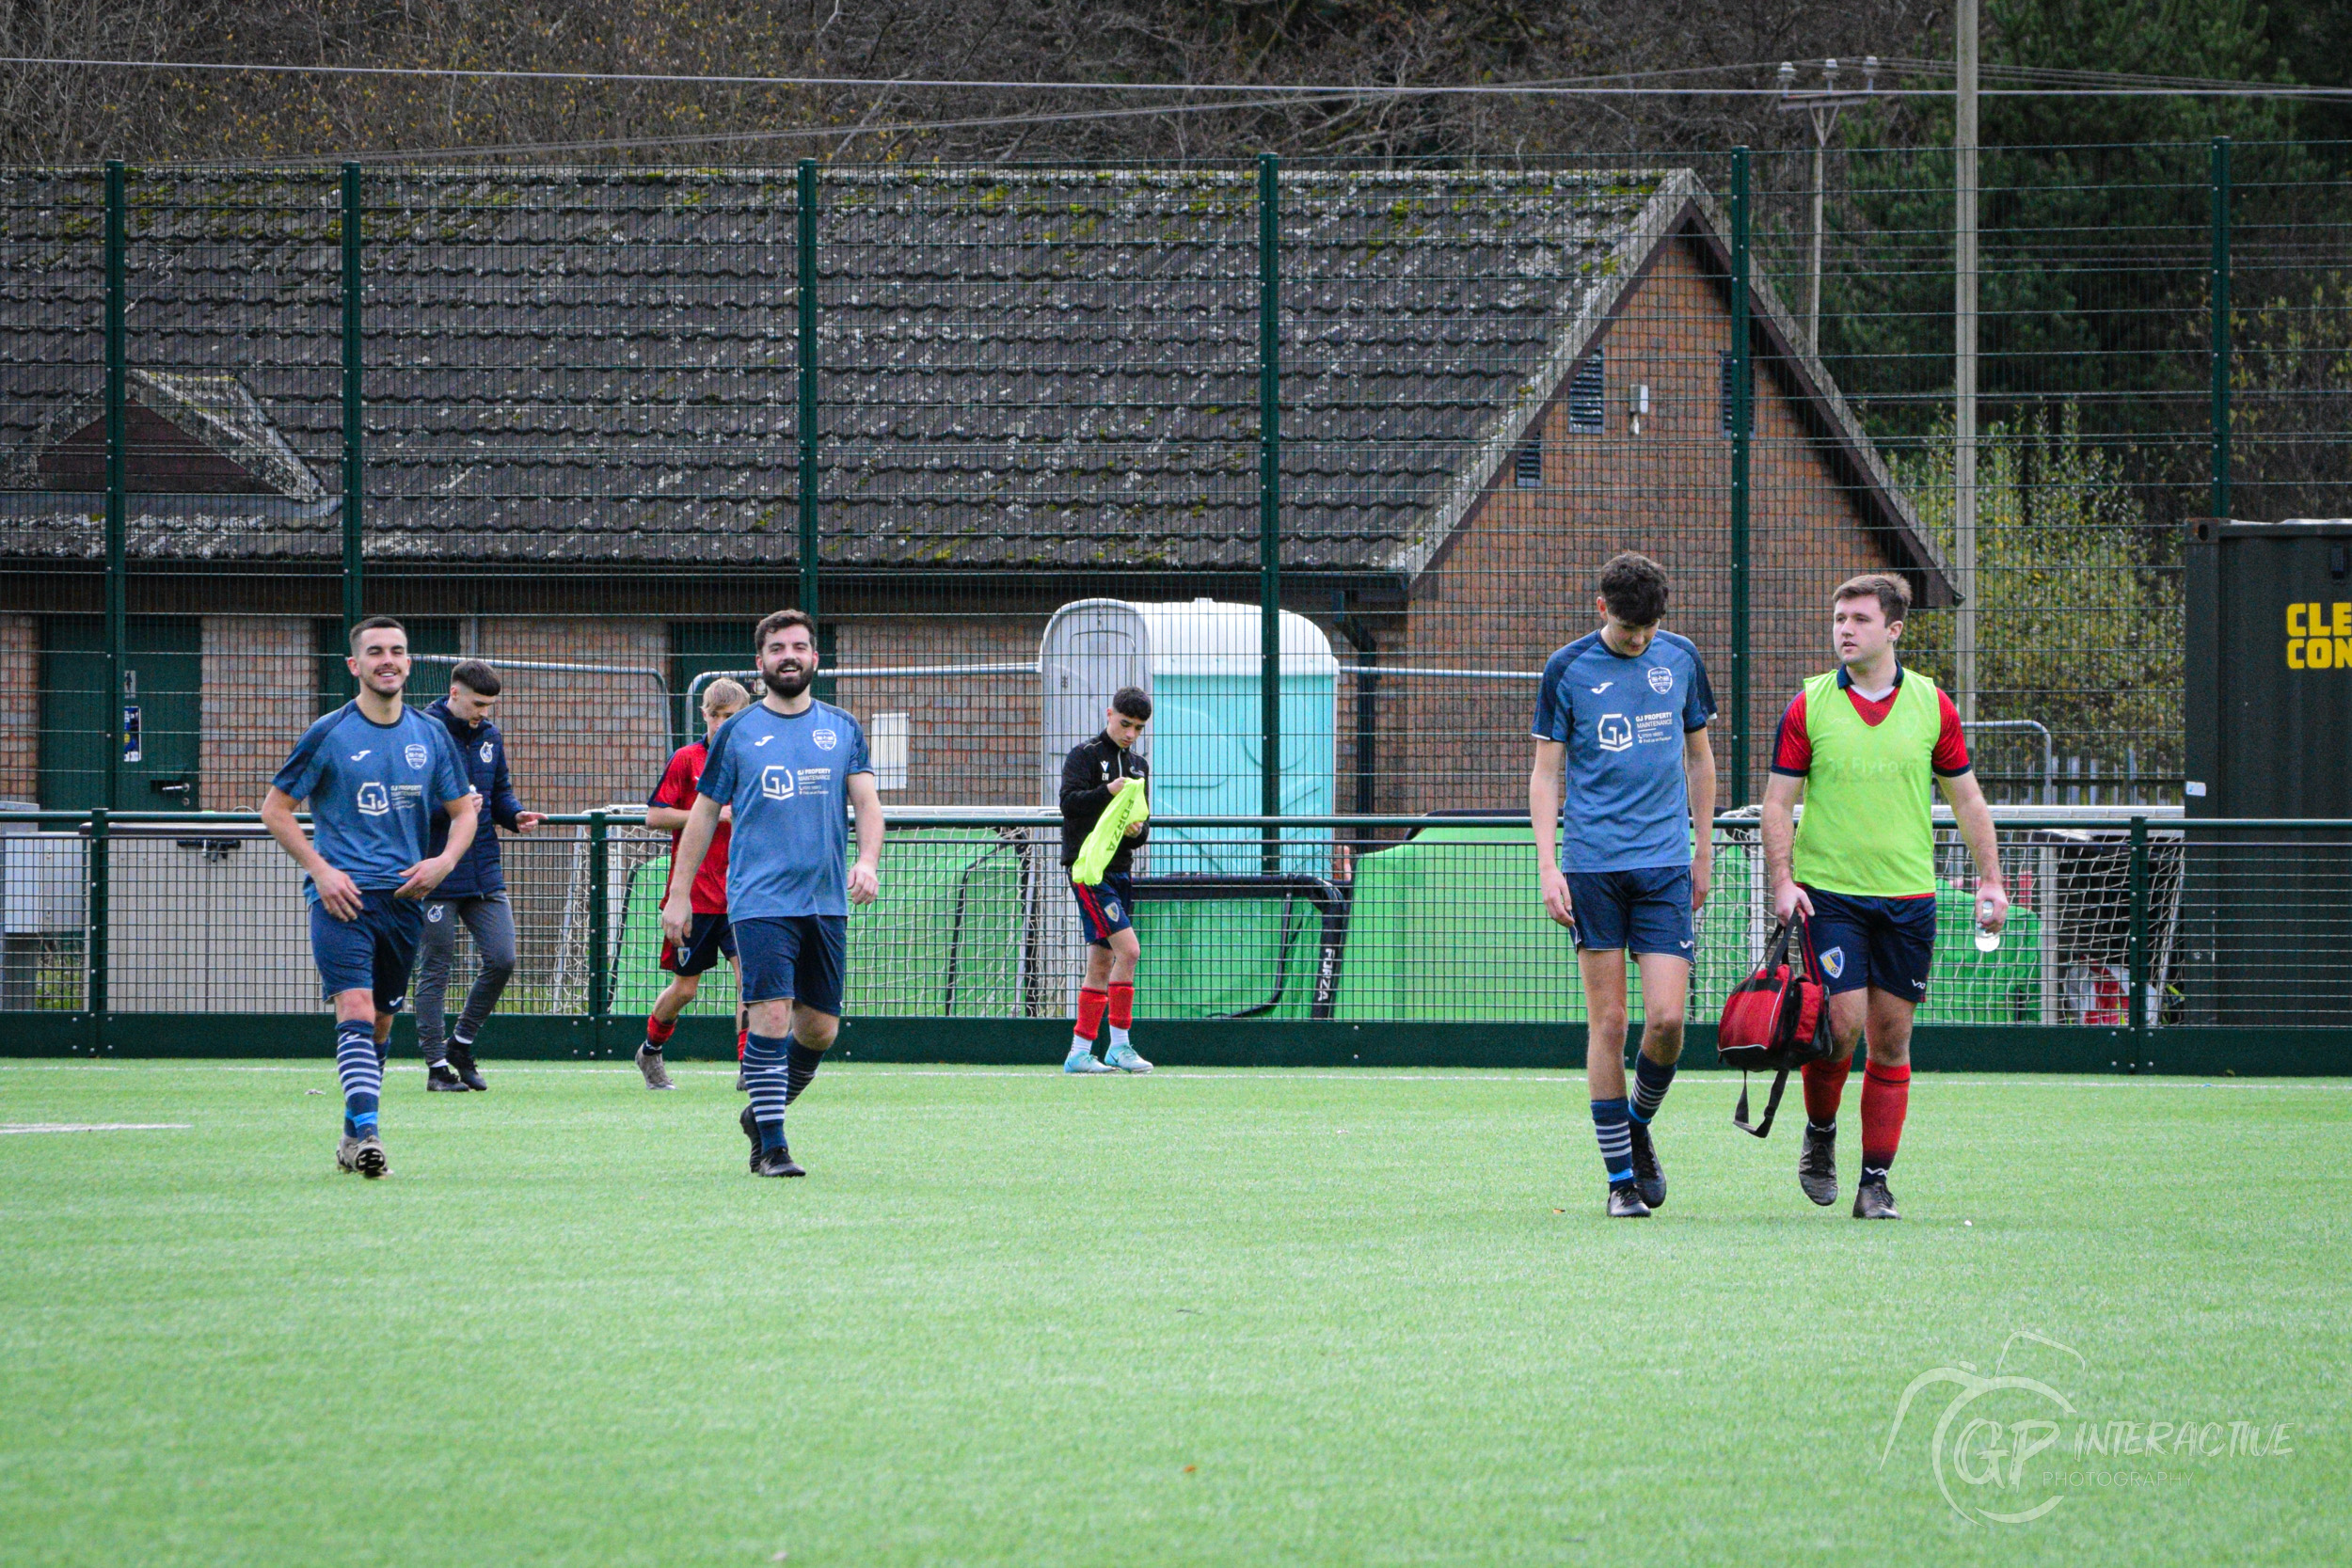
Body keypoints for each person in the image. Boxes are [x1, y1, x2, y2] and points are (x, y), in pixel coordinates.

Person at [1761, 573, 2009, 1221]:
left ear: (1893, 629)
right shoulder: (1809, 703)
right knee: (1839, 1028)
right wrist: (1783, 882)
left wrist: (1992, 879)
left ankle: (1876, 1182)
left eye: (1860, 618)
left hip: (1907, 899)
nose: (1844, 627)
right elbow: (1778, 802)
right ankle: (1820, 1132)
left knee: (1891, 1039)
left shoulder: (1932, 704)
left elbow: (1967, 798)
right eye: (1839, 615)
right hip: (1830, 897)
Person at [660, 610, 883, 1176]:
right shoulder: (736, 732)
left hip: (826, 902)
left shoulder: (842, 727)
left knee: (821, 1029)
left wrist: (867, 860)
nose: (790, 655)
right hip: (758, 901)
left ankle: (762, 1113)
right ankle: (774, 1149)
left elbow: (867, 804)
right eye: (778, 647)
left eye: (800, 646)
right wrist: (679, 895)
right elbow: (704, 817)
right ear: (760, 663)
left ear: (814, 659)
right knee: (771, 1015)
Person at [1529, 551, 1717, 1218]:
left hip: (1665, 863)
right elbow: (1547, 774)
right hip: (1592, 866)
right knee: (1608, 1022)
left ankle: (1636, 1123)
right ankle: (1619, 1182)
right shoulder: (1567, 669)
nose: (1639, 640)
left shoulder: (1683, 660)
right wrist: (1549, 865)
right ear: (1601, 608)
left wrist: (1704, 847)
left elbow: (1699, 758)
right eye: (1629, 628)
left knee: (1668, 1019)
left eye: (1650, 629)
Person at [261, 616, 477, 1179]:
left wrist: (445, 861)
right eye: (376, 651)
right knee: (354, 1010)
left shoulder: (430, 736)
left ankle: (352, 1133)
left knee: (381, 1023)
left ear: (409, 663)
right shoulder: (330, 732)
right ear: (355, 665)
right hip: (343, 900)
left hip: (404, 902)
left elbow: (463, 813)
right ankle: (372, 1135)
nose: (389, 660)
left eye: (398, 651)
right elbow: (275, 809)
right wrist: (320, 870)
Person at [412, 659, 546, 1092]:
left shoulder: (489, 735)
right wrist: (451, 809)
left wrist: (514, 814)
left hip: (484, 870)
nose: (483, 712)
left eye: (489, 705)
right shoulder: (423, 732)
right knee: (437, 967)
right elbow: (409, 801)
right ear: (454, 694)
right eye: (477, 704)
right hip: (435, 871)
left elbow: (499, 790)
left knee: (503, 958)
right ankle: (435, 1067)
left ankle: (461, 1043)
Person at [636, 677, 752, 1091]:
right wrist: (710, 816)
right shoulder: (687, 759)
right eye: (715, 715)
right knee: (685, 989)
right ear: (703, 714)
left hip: (743, 894)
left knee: (750, 978)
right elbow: (655, 816)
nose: (721, 723)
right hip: (696, 896)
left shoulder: (754, 759)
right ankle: (650, 1049)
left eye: (730, 716)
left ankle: (748, 1067)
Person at [1058, 687, 1154, 1074]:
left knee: (1101, 961)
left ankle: (1079, 1052)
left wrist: (1136, 830)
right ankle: (1119, 1045)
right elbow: (1069, 804)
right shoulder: (1083, 755)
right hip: (1089, 870)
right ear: (1109, 714)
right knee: (1129, 951)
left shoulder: (1139, 767)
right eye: (1125, 724)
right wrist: (1106, 792)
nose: (1130, 734)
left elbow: (1144, 824)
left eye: (1138, 728)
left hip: (1120, 870)